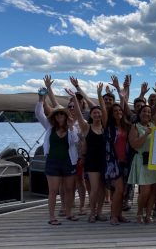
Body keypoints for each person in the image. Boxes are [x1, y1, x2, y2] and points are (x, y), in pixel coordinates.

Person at [35, 88, 79, 225]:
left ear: (66, 115)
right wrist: (41, 99)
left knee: (69, 189)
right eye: (57, 113)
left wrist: (71, 128)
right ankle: (52, 217)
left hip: (68, 161)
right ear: (54, 116)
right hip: (53, 161)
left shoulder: (71, 127)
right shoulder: (49, 127)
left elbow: (75, 141)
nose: (59, 115)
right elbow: (39, 113)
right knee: (53, 190)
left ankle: (69, 212)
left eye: (62, 113)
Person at [95, 83, 134, 225]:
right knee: (119, 189)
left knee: (122, 191)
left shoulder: (126, 126)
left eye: (120, 110)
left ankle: (119, 214)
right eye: (115, 110)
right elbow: (103, 110)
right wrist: (100, 94)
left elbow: (126, 109)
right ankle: (113, 215)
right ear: (112, 113)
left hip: (126, 161)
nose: (118, 112)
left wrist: (123, 98)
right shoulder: (108, 125)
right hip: (113, 162)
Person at [66, 86, 106, 223]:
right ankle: (92, 213)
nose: (97, 115)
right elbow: (77, 111)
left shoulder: (105, 127)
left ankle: (100, 212)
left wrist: (99, 94)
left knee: (103, 189)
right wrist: (74, 98)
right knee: (94, 188)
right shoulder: (86, 127)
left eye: (99, 113)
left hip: (105, 161)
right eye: (94, 113)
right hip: (92, 161)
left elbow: (104, 110)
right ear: (91, 115)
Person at [128, 103, 156, 225]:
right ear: (139, 114)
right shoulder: (135, 127)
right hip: (142, 159)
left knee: (154, 191)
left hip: (154, 160)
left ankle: (149, 215)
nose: (146, 114)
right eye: (144, 112)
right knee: (145, 191)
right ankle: (139, 213)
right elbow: (134, 144)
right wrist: (145, 135)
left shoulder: (153, 125)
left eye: (149, 112)